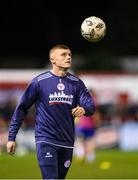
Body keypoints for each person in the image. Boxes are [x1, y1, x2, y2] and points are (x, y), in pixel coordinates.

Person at [6, 44, 96, 179]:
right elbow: (22, 108)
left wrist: (84, 108)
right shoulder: (39, 82)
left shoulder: (77, 83)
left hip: (67, 141)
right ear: (52, 59)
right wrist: (11, 137)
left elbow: (90, 106)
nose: (68, 58)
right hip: (46, 139)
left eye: (70, 55)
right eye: (63, 55)